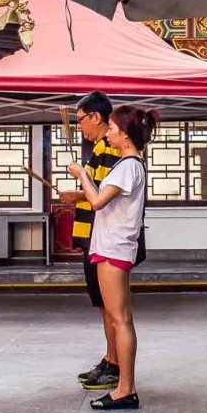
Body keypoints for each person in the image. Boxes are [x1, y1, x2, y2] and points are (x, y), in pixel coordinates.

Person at [67, 104, 159, 410]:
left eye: (113, 129)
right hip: (113, 246)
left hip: (114, 249)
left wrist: (82, 175)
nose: (109, 133)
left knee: (119, 319)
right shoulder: (127, 165)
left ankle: (125, 388)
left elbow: (96, 202)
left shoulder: (128, 166)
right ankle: (124, 386)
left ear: (126, 135)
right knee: (120, 318)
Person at [59, 91, 121, 391]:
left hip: (103, 236)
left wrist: (80, 186)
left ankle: (116, 364)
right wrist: (79, 194)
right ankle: (110, 360)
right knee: (104, 305)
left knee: (112, 307)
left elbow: (106, 195)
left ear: (96, 117)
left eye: (81, 120)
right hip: (95, 234)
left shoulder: (109, 148)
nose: (79, 126)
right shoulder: (99, 146)